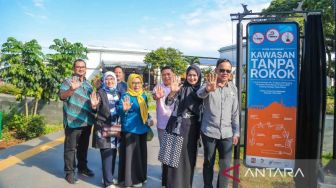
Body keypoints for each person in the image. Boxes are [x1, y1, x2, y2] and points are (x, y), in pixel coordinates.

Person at [197, 58, 239, 188]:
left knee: (225, 165)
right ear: (216, 70)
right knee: (208, 162)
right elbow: (199, 94)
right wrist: (208, 90)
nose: (225, 73)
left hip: (227, 133)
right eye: (222, 70)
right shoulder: (209, 84)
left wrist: (236, 132)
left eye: (228, 70)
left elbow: (235, 112)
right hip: (209, 132)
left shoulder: (233, 88)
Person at [162, 64, 203, 188]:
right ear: (186, 76)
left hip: (192, 128)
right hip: (176, 125)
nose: (192, 78)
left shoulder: (202, 91)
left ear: (199, 76)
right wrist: (172, 92)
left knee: (187, 159)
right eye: (189, 75)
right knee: (172, 158)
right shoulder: (180, 88)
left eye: (195, 75)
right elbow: (168, 103)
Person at [59, 59, 95, 184]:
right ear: (74, 68)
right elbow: (62, 96)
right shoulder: (68, 81)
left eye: (83, 67)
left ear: (86, 69)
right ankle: (69, 173)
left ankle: (82, 168)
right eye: (78, 67)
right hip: (72, 121)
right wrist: (71, 90)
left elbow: (93, 101)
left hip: (87, 121)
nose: (80, 69)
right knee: (70, 148)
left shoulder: (89, 84)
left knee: (83, 147)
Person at [117, 74, 151, 187]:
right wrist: (124, 109)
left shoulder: (143, 96)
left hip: (142, 128)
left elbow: (146, 111)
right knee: (132, 156)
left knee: (141, 155)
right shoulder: (126, 96)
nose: (136, 85)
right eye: (134, 83)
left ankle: (142, 176)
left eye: (139, 83)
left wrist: (149, 119)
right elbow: (119, 110)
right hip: (130, 129)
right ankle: (133, 180)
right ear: (129, 83)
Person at [90, 71, 120, 188]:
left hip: (115, 126)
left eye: (112, 79)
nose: (110, 81)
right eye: (107, 79)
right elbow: (96, 106)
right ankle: (108, 182)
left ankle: (108, 177)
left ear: (115, 80)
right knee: (106, 152)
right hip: (104, 126)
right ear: (104, 81)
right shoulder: (100, 93)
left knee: (112, 152)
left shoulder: (118, 93)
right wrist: (93, 106)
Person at [152, 66, 174, 146]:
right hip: (162, 124)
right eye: (164, 75)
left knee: (175, 150)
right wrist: (156, 96)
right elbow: (154, 96)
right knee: (164, 149)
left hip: (176, 124)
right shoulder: (158, 87)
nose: (166, 76)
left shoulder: (178, 87)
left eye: (168, 74)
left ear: (173, 75)